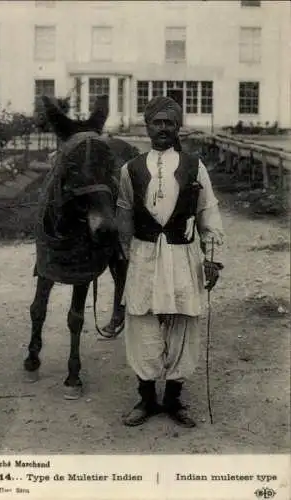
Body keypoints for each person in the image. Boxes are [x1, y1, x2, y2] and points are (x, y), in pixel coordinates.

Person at [116, 96, 224, 427]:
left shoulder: (194, 166)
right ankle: (146, 399)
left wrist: (211, 258)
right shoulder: (130, 168)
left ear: (178, 127)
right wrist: (127, 253)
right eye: (156, 122)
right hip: (146, 255)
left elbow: (208, 210)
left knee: (183, 320)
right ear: (147, 126)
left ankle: (174, 400)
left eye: (169, 122)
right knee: (142, 321)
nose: (162, 128)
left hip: (182, 255)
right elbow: (123, 212)